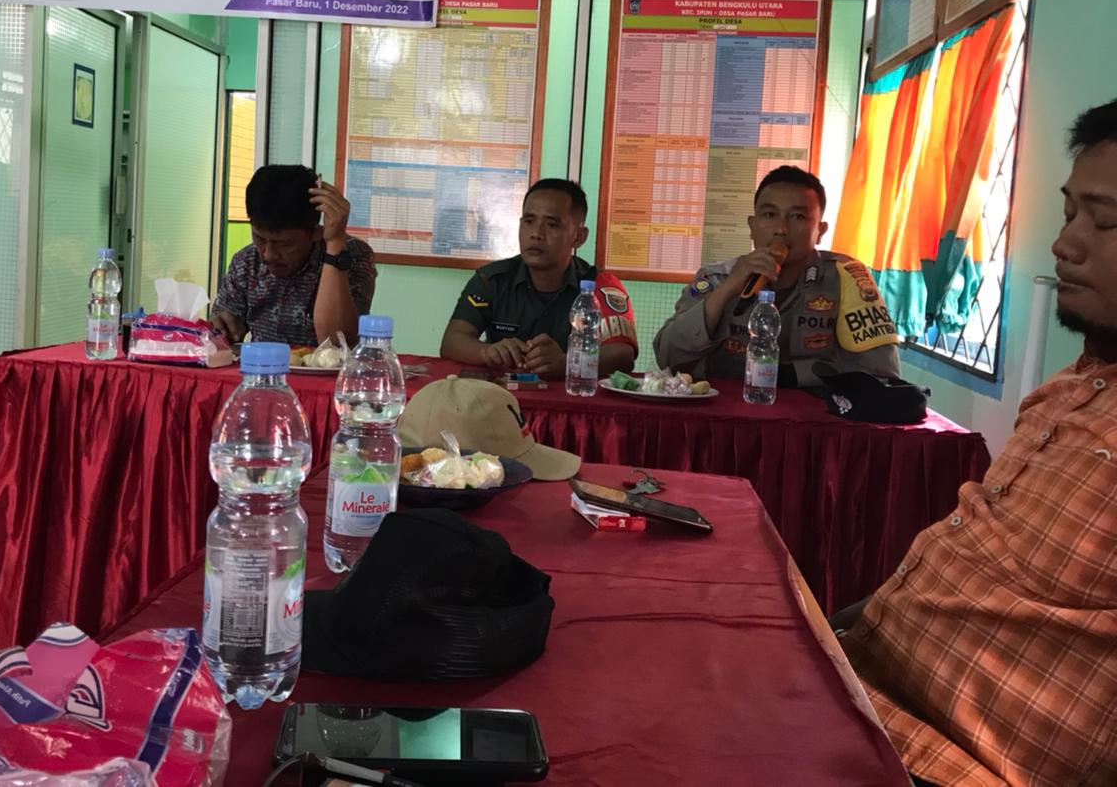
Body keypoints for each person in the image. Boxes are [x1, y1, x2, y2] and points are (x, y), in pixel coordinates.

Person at [837, 101, 1117, 786]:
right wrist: (828, 634)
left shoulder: (841, 282)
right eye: (1069, 213)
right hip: (864, 694)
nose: (1064, 244)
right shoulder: (1069, 388)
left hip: (941, 763)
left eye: (1105, 221)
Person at [653, 166, 900, 387]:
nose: (781, 229)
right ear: (752, 226)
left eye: (798, 217)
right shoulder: (716, 278)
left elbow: (883, 372)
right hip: (726, 415)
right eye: (769, 215)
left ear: (821, 230)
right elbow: (667, 357)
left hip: (815, 418)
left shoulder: (846, 278)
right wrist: (726, 290)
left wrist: (791, 375)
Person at [440, 179, 638, 380]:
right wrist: (488, 352)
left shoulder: (600, 285)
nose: (536, 234)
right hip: (502, 396)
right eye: (529, 221)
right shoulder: (491, 280)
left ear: (579, 237)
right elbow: (452, 341)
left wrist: (566, 363)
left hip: (573, 397)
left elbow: (623, 355)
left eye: (552, 225)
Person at [211, 164, 376, 347]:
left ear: (316, 232)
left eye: (284, 243)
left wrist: (335, 245)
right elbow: (218, 330)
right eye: (259, 238)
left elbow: (338, 344)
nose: (268, 254)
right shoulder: (247, 261)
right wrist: (221, 330)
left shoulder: (352, 255)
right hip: (261, 365)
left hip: (323, 366)